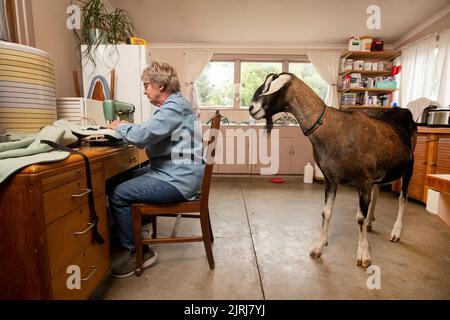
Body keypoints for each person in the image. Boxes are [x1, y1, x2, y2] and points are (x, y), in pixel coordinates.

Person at [108, 61, 204, 278]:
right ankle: (128, 232)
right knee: (119, 179)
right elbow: (149, 132)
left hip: (179, 178)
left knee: (118, 193)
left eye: (147, 85)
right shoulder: (176, 106)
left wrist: (121, 127)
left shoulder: (174, 107)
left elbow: (142, 135)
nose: (144, 90)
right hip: (177, 171)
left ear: (160, 86)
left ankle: (141, 251)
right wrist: (132, 130)